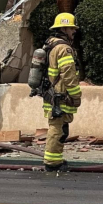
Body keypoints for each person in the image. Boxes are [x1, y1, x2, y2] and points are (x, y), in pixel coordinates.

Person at [42, 12, 82, 172]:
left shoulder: (50, 44)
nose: (74, 32)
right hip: (60, 95)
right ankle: (52, 163)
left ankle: (55, 160)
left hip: (51, 93)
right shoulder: (64, 49)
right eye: (72, 29)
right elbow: (68, 74)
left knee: (59, 128)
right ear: (64, 28)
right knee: (57, 129)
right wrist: (76, 95)